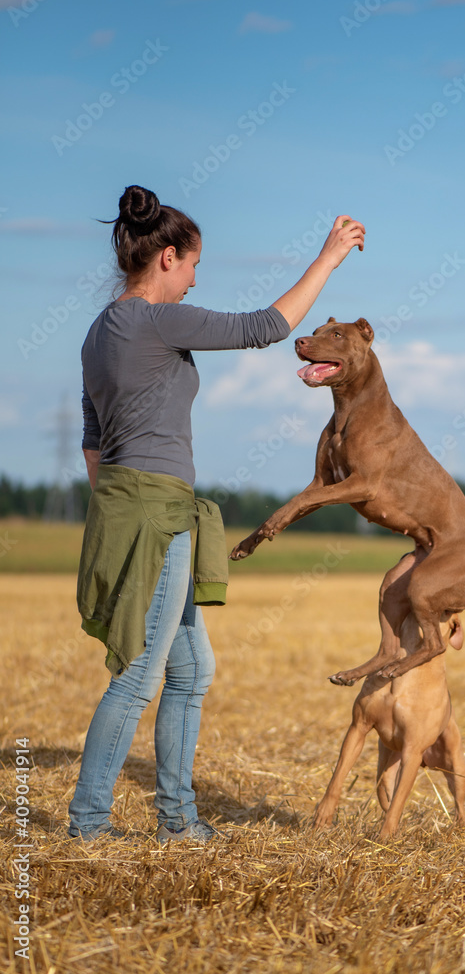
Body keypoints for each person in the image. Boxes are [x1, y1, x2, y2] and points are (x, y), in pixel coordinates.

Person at [68, 184, 365, 844]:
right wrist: (328, 258)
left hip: (130, 503)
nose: (196, 278)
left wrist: (120, 506)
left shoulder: (99, 333)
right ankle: (87, 828)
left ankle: (176, 820)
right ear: (168, 257)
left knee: (191, 668)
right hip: (156, 510)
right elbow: (267, 327)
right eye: (195, 264)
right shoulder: (155, 319)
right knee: (141, 674)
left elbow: (92, 437)